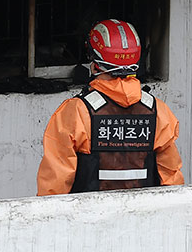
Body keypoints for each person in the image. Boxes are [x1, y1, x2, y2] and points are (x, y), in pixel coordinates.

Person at [37, 19, 184, 194]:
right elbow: (172, 181)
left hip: (88, 219)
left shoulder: (76, 112)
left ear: (94, 60)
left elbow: (55, 185)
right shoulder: (158, 111)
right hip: (143, 218)